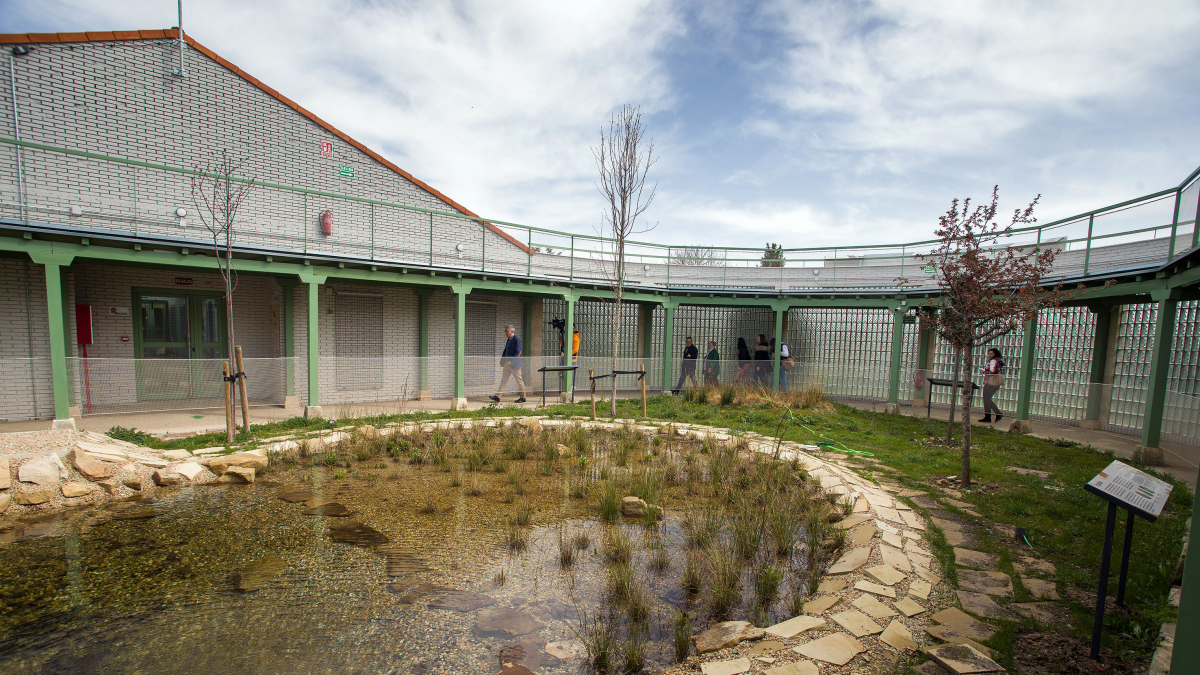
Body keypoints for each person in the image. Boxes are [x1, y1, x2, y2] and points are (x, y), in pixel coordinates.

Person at [490, 324, 527, 403]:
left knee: (519, 381)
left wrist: (512, 361)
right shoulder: (509, 340)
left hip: (515, 364)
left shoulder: (516, 339)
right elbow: (505, 350)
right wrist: (502, 360)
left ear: (512, 331)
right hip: (507, 363)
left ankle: (523, 397)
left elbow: (518, 352)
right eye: (505, 331)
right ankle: (498, 396)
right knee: (503, 380)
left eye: (507, 331)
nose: (505, 333)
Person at [979, 347, 1005, 423]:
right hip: (996, 383)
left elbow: (993, 372)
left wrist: (984, 372)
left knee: (986, 399)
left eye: (991, 354)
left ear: (995, 354)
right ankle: (995, 414)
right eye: (989, 354)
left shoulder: (993, 361)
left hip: (990, 382)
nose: (989, 355)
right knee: (987, 399)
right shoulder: (1000, 360)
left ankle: (990, 416)